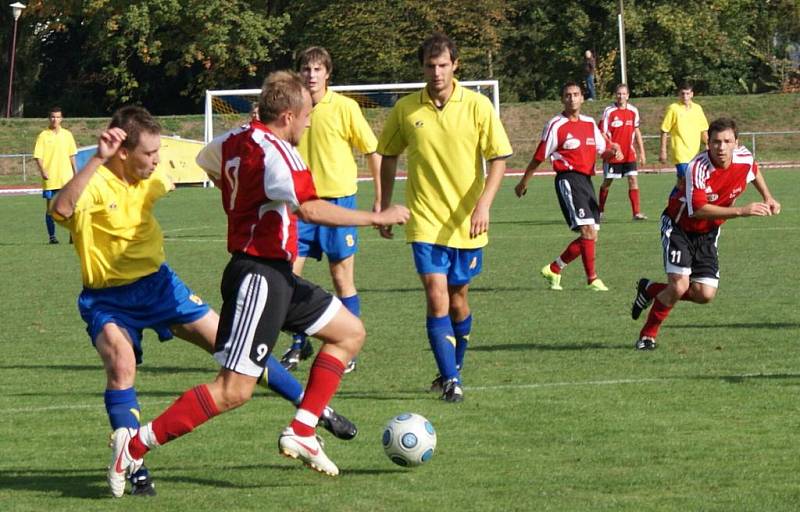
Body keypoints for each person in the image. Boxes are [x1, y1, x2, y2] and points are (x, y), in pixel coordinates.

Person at [108, 71, 408, 493]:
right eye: (306, 117)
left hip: (277, 274)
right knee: (233, 391)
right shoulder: (280, 154)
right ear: (288, 115)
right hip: (258, 276)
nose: (307, 124)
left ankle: (302, 429)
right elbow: (311, 210)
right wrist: (377, 216)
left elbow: (208, 161)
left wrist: (244, 203)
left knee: (349, 333)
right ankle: (135, 446)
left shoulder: (234, 139)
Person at [50, 105, 358, 498]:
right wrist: (96, 158)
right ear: (122, 153)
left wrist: (251, 130)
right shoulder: (94, 183)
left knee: (233, 347)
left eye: (159, 152)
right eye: (149, 153)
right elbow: (61, 208)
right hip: (107, 298)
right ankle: (135, 463)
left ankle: (312, 408)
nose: (157, 160)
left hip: (161, 287)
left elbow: (223, 165)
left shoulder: (154, 176)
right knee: (121, 365)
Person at [377, 33, 512, 403]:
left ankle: (452, 368)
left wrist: (484, 205)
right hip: (424, 221)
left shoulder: (478, 106)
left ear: (455, 65)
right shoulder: (406, 109)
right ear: (422, 67)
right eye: (429, 66)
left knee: (458, 299)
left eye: (442, 65)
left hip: (467, 221)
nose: (435, 72)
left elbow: (499, 158)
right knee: (436, 297)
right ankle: (452, 382)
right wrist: (384, 204)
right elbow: (387, 154)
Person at [630, 118, 780, 350]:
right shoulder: (697, 168)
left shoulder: (744, 158)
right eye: (716, 142)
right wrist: (741, 210)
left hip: (709, 232)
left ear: (736, 143)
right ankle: (647, 336)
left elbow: (754, 170)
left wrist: (768, 197)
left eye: (727, 141)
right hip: (679, 228)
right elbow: (698, 210)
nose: (721, 147)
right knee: (679, 286)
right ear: (707, 143)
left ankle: (650, 289)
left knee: (704, 294)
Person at [280, 46, 382, 374]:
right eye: (306, 69)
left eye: (317, 69)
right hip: (301, 205)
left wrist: (380, 197)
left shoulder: (346, 108)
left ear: (328, 74)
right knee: (288, 278)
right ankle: (298, 343)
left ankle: (347, 347)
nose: (311, 75)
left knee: (341, 278)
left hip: (339, 203)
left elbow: (372, 150)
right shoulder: (290, 110)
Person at [515, 82, 620, 292]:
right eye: (567, 95)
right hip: (568, 179)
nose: (572, 98)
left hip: (587, 181)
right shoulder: (556, 125)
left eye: (576, 94)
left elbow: (603, 151)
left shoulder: (590, 124)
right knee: (587, 231)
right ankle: (592, 280)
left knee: (591, 234)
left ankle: (554, 268)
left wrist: (613, 152)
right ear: (562, 99)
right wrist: (523, 182)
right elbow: (539, 157)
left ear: (582, 98)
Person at [598, 83, 648, 221]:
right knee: (607, 181)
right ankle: (600, 211)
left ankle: (636, 213)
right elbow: (602, 133)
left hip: (628, 153)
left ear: (628, 95)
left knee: (633, 179)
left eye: (624, 94)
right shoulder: (609, 111)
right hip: (613, 154)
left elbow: (636, 131)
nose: (621, 96)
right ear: (616, 95)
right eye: (619, 94)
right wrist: (612, 147)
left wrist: (642, 152)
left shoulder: (633, 111)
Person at [34, 106, 78, 244]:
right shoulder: (43, 135)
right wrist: (43, 170)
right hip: (51, 179)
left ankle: (72, 235)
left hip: (66, 178)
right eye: (53, 117)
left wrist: (76, 172)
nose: (55, 119)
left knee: (70, 209)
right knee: (50, 209)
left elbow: (72, 155)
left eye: (58, 117)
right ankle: (52, 237)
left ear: (62, 118)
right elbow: (38, 156)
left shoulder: (68, 135)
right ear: (49, 118)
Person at [659, 82, 709, 186]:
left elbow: (703, 130)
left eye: (687, 93)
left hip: (695, 152)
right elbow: (664, 130)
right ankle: (690, 202)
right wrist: (663, 150)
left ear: (692, 94)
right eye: (682, 94)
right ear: (679, 94)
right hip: (680, 153)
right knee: (688, 180)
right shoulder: (674, 108)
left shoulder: (697, 109)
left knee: (682, 183)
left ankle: (675, 202)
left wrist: (708, 145)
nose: (685, 96)